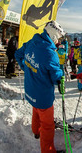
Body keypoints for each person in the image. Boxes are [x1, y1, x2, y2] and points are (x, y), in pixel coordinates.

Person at [15, 21, 65, 153]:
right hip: (43, 95)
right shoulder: (50, 53)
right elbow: (56, 77)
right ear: (54, 36)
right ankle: (48, 150)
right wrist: (61, 76)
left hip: (31, 89)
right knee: (48, 125)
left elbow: (18, 54)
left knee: (36, 111)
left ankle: (36, 131)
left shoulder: (33, 41)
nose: (58, 41)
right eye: (58, 38)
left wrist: (27, 68)